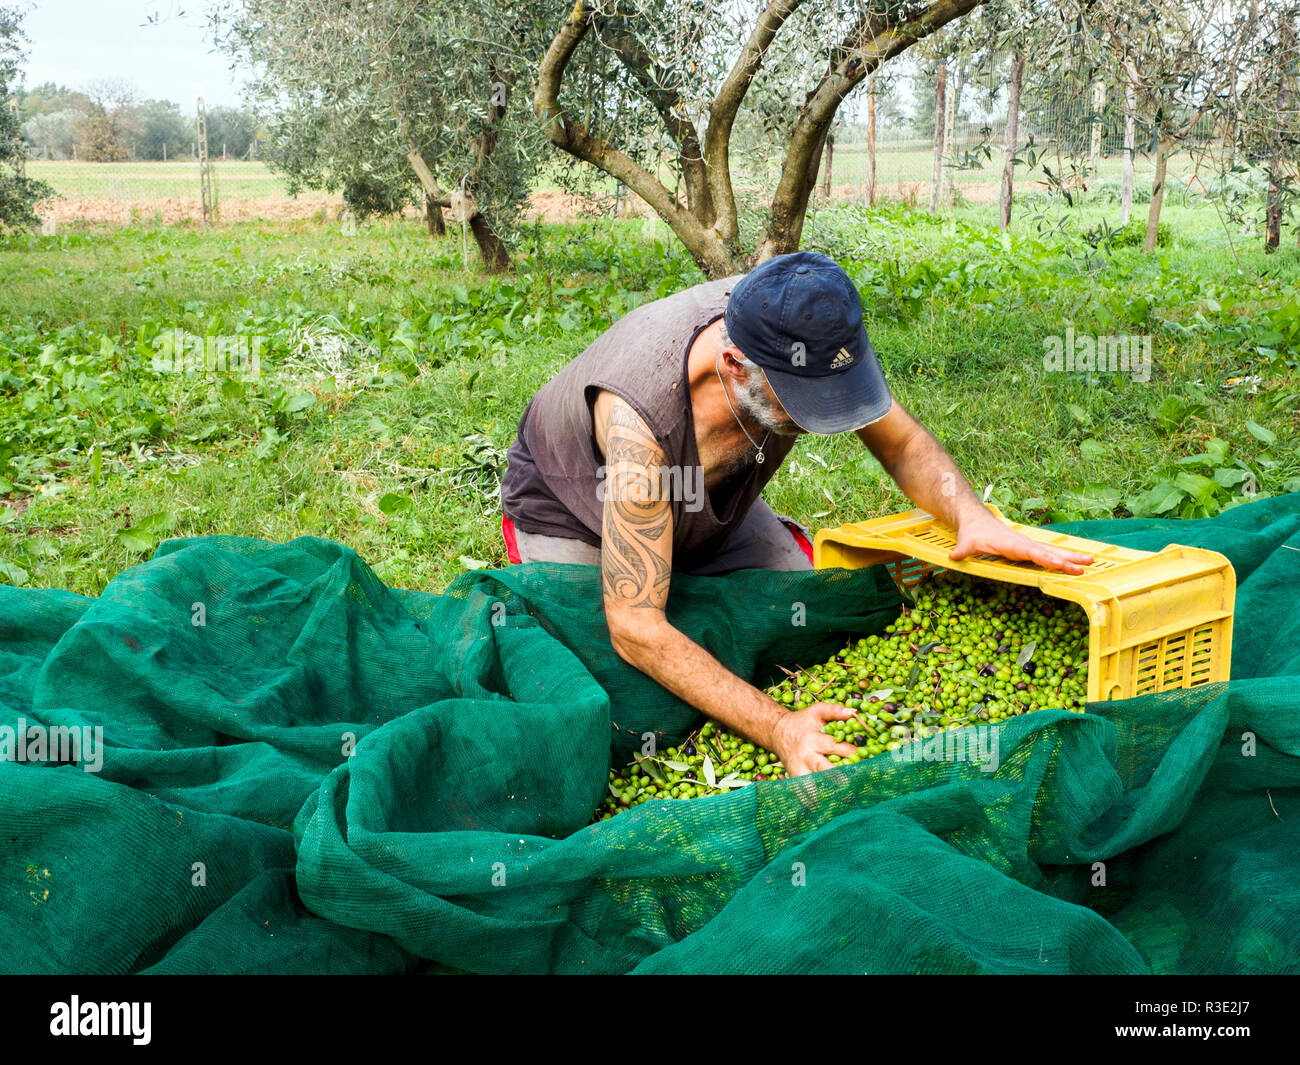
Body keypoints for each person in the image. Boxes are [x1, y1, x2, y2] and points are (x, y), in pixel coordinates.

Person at [500, 252, 1092, 775]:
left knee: (802, 621)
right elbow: (636, 627)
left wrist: (974, 516)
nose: (830, 416)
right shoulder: (638, 422)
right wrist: (779, 727)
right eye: (810, 405)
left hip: (712, 501)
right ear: (735, 367)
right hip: (577, 512)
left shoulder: (806, 329)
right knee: (617, 691)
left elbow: (903, 444)